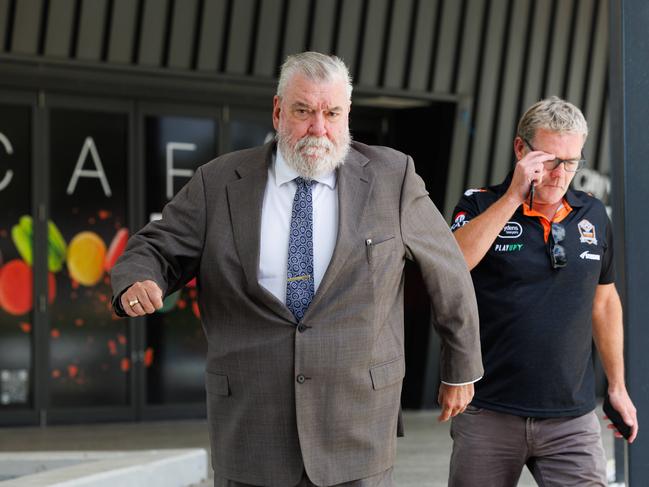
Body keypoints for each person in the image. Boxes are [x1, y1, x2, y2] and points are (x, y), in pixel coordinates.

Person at [111, 51, 483, 487]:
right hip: (252, 429)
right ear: (277, 110)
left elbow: (448, 271)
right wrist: (138, 278)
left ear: (347, 113)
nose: (319, 128)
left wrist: (460, 367)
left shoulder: (392, 177)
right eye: (304, 111)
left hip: (357, 425)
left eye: (332, 113)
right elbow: (156, 246)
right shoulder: (219, 182)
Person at [448, 96, 638, 486]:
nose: (560, 173)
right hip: (488, 411)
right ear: (521, 149)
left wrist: (617, 387)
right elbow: (455, 264)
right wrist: (514, 197)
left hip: (572, 418)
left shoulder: (593, 214)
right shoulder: (479, 203)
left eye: (571, 162)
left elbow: (604, 303)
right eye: (549, 160)